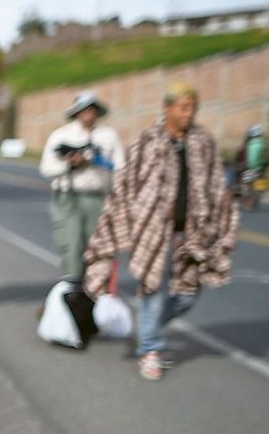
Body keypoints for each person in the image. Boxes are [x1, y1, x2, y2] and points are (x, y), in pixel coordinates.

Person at [83, 83, 238, 381]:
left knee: (188, 294)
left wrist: (221, 224)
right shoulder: (148, 143)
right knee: (153, 288)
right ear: (167, 108)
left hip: (191, 233)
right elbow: (127, 185)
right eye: (183, 107)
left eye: (192, 107)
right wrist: (121, 222)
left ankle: (145, 329)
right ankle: (150, 349)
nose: (188, 114)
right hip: (154, 230)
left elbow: (217, 187)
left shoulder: (202, 143)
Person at [39, 91, 124, 283]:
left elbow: (120, 168)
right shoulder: (61, 136)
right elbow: (46, 169)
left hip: (98, 197)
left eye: (91, 109)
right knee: (71, 244)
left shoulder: (108, 136)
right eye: (83, 109)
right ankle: (72, 289)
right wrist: (71, 163)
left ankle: (94, 291)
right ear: (76, 112)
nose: (87, 113)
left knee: (98, 248)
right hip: (68, 197)